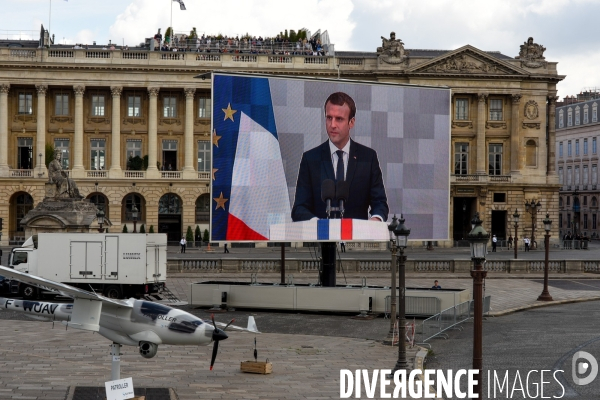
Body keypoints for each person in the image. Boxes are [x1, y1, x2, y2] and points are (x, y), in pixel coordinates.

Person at [291, 92, 389, 222]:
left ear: (351, 122)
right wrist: (319, 225)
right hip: (321, 239)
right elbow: (299, 208)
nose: (332, 125)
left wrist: (375, 221)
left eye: (339, 119)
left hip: (356, 238)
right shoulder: (310, 159)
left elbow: (380, 203)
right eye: (329, 118)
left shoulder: (368, 158)